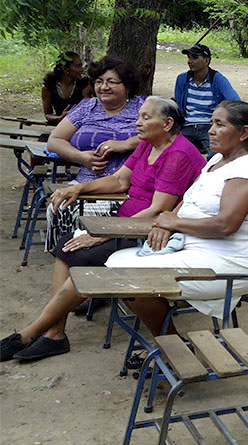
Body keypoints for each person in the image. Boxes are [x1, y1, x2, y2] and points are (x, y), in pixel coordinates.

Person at [0, 96, 206, 362]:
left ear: (167, 123)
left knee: (84, 256)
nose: (137, 122)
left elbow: (157, 211)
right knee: (66, 247)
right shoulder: (147, 145)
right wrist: (79, 187)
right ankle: (53, 332)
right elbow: (120, 180)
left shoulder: (178, 154)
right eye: (139, 116)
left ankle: (36, 332)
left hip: (151, 232)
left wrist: (103, 234)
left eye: (145, 117)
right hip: (126, 223)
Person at [103, 100, 248, 341]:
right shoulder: (217, 160)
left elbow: (225, 225)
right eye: (212, 123)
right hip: (196, 248)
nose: (210, 130)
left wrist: (173, 223)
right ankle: (171, 343)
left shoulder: (247, 171)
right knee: (116, 263)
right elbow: (190, 197)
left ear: (243, 133)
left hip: (230, 263)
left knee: (128, 276)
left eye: (219, 124)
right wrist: (170, 219)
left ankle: (170, 344)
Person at [45, 56, 146, 251]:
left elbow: (163, 135)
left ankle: (85, 259)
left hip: (124, 188)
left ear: (127, 85)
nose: (104, 87)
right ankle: (64, 259)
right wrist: (81, 157)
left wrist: (126, 144)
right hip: (85, 183)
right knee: (58, 207)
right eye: (99, 82)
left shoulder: (142, 108)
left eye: (111, 82)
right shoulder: (87, 107)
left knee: (77, 211)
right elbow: (54, 140)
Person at [174, 43, 241, 158]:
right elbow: (179, 106)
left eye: (194, 58)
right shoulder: (182, 79)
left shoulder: (217, 79)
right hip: (187, 126)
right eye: (189, 57)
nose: (190, 61)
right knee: (175, 155)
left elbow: (235, 102)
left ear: (206, 61)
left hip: (209, 126)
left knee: (215, 156)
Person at [41, 51, 91, 125]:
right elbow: (48, 114)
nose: (82, 70)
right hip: (63, 126)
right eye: (78, 66)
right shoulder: (49, 86)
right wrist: (60, 117)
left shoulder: (85, 84)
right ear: (65, 69)